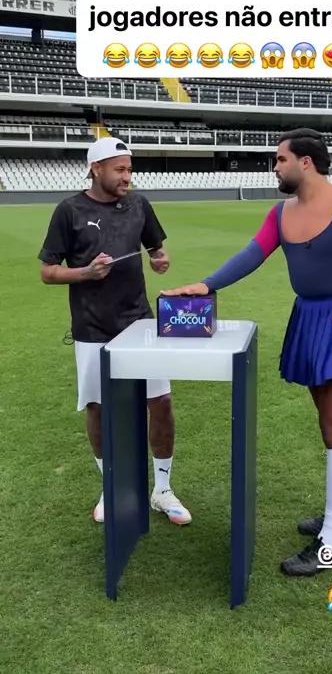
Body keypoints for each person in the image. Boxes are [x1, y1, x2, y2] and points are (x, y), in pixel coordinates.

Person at [161, 128, 332, 576]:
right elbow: (252, 253)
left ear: (306, 162)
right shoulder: (281, 212)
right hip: (309, 319)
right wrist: (206, 285)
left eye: (280, 159)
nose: (274, 167)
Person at [38, 136, 191, 526]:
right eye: (120, 170)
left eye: (129, 169)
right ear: (96, 169)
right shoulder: (69, 210)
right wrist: (86, 272)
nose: (127, 177)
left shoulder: (138, 204)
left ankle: (162, 490)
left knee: (161, 402)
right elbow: (48, 272)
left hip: (140, 323)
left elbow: (157, 250)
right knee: (98, 407)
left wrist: (160, 260)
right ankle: (111, 485)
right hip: (92, 328)